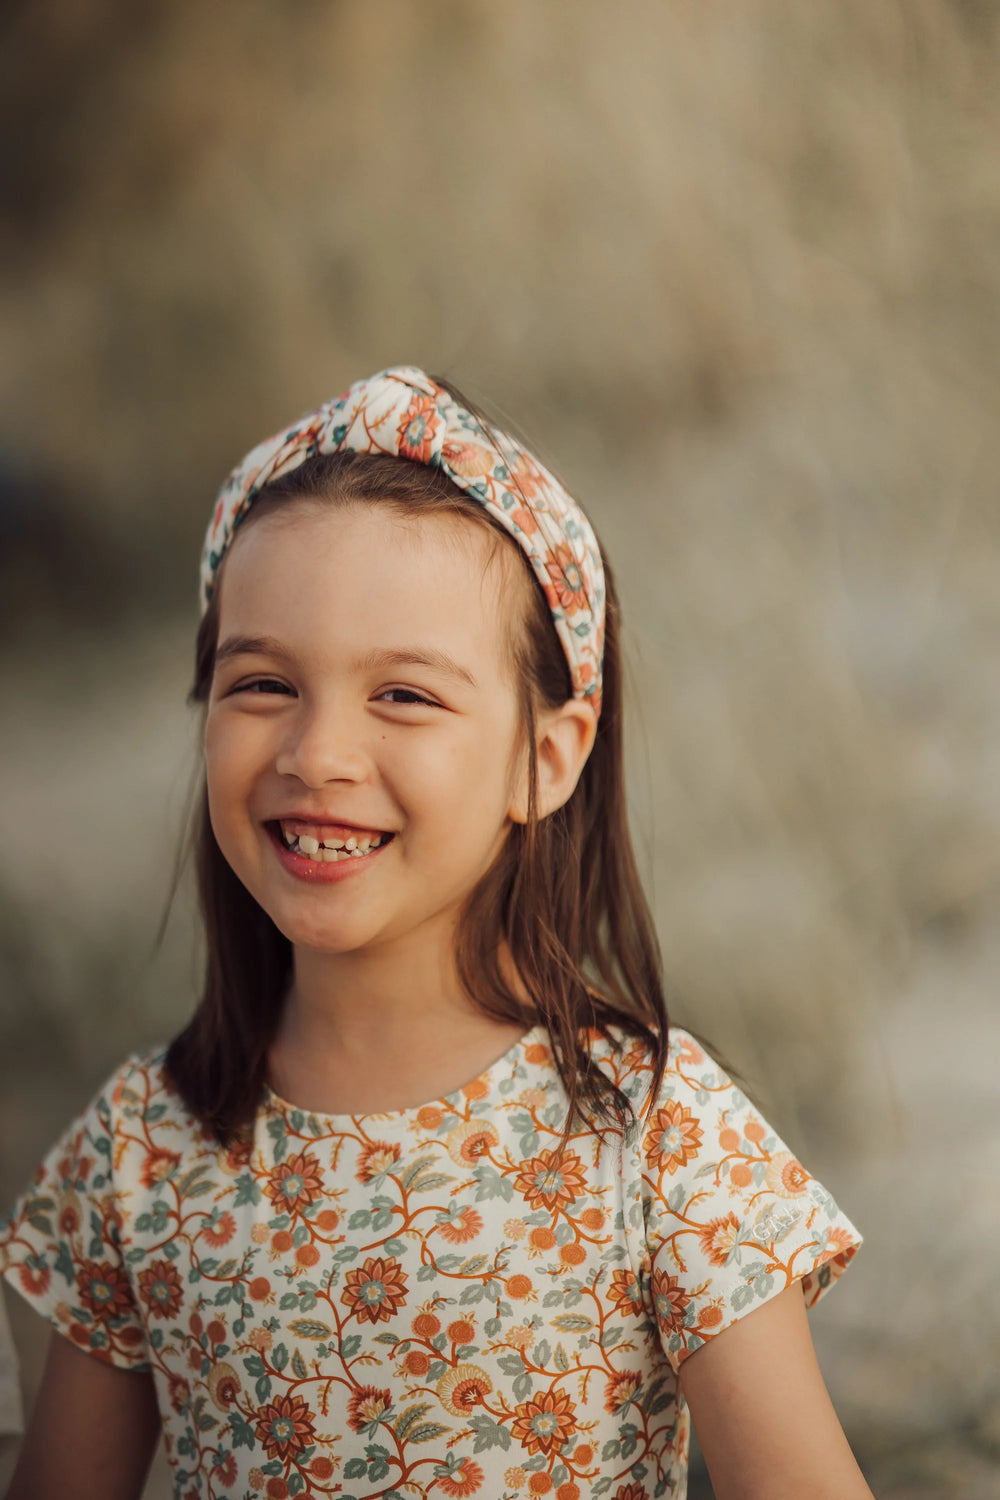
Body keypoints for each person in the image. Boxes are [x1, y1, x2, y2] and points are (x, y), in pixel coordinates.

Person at [0, 367, 872, 1499]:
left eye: (403, 696)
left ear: (544, 759)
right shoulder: (140, 1158)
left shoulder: (658, 1141)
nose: (317, 755)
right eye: (262, 682)